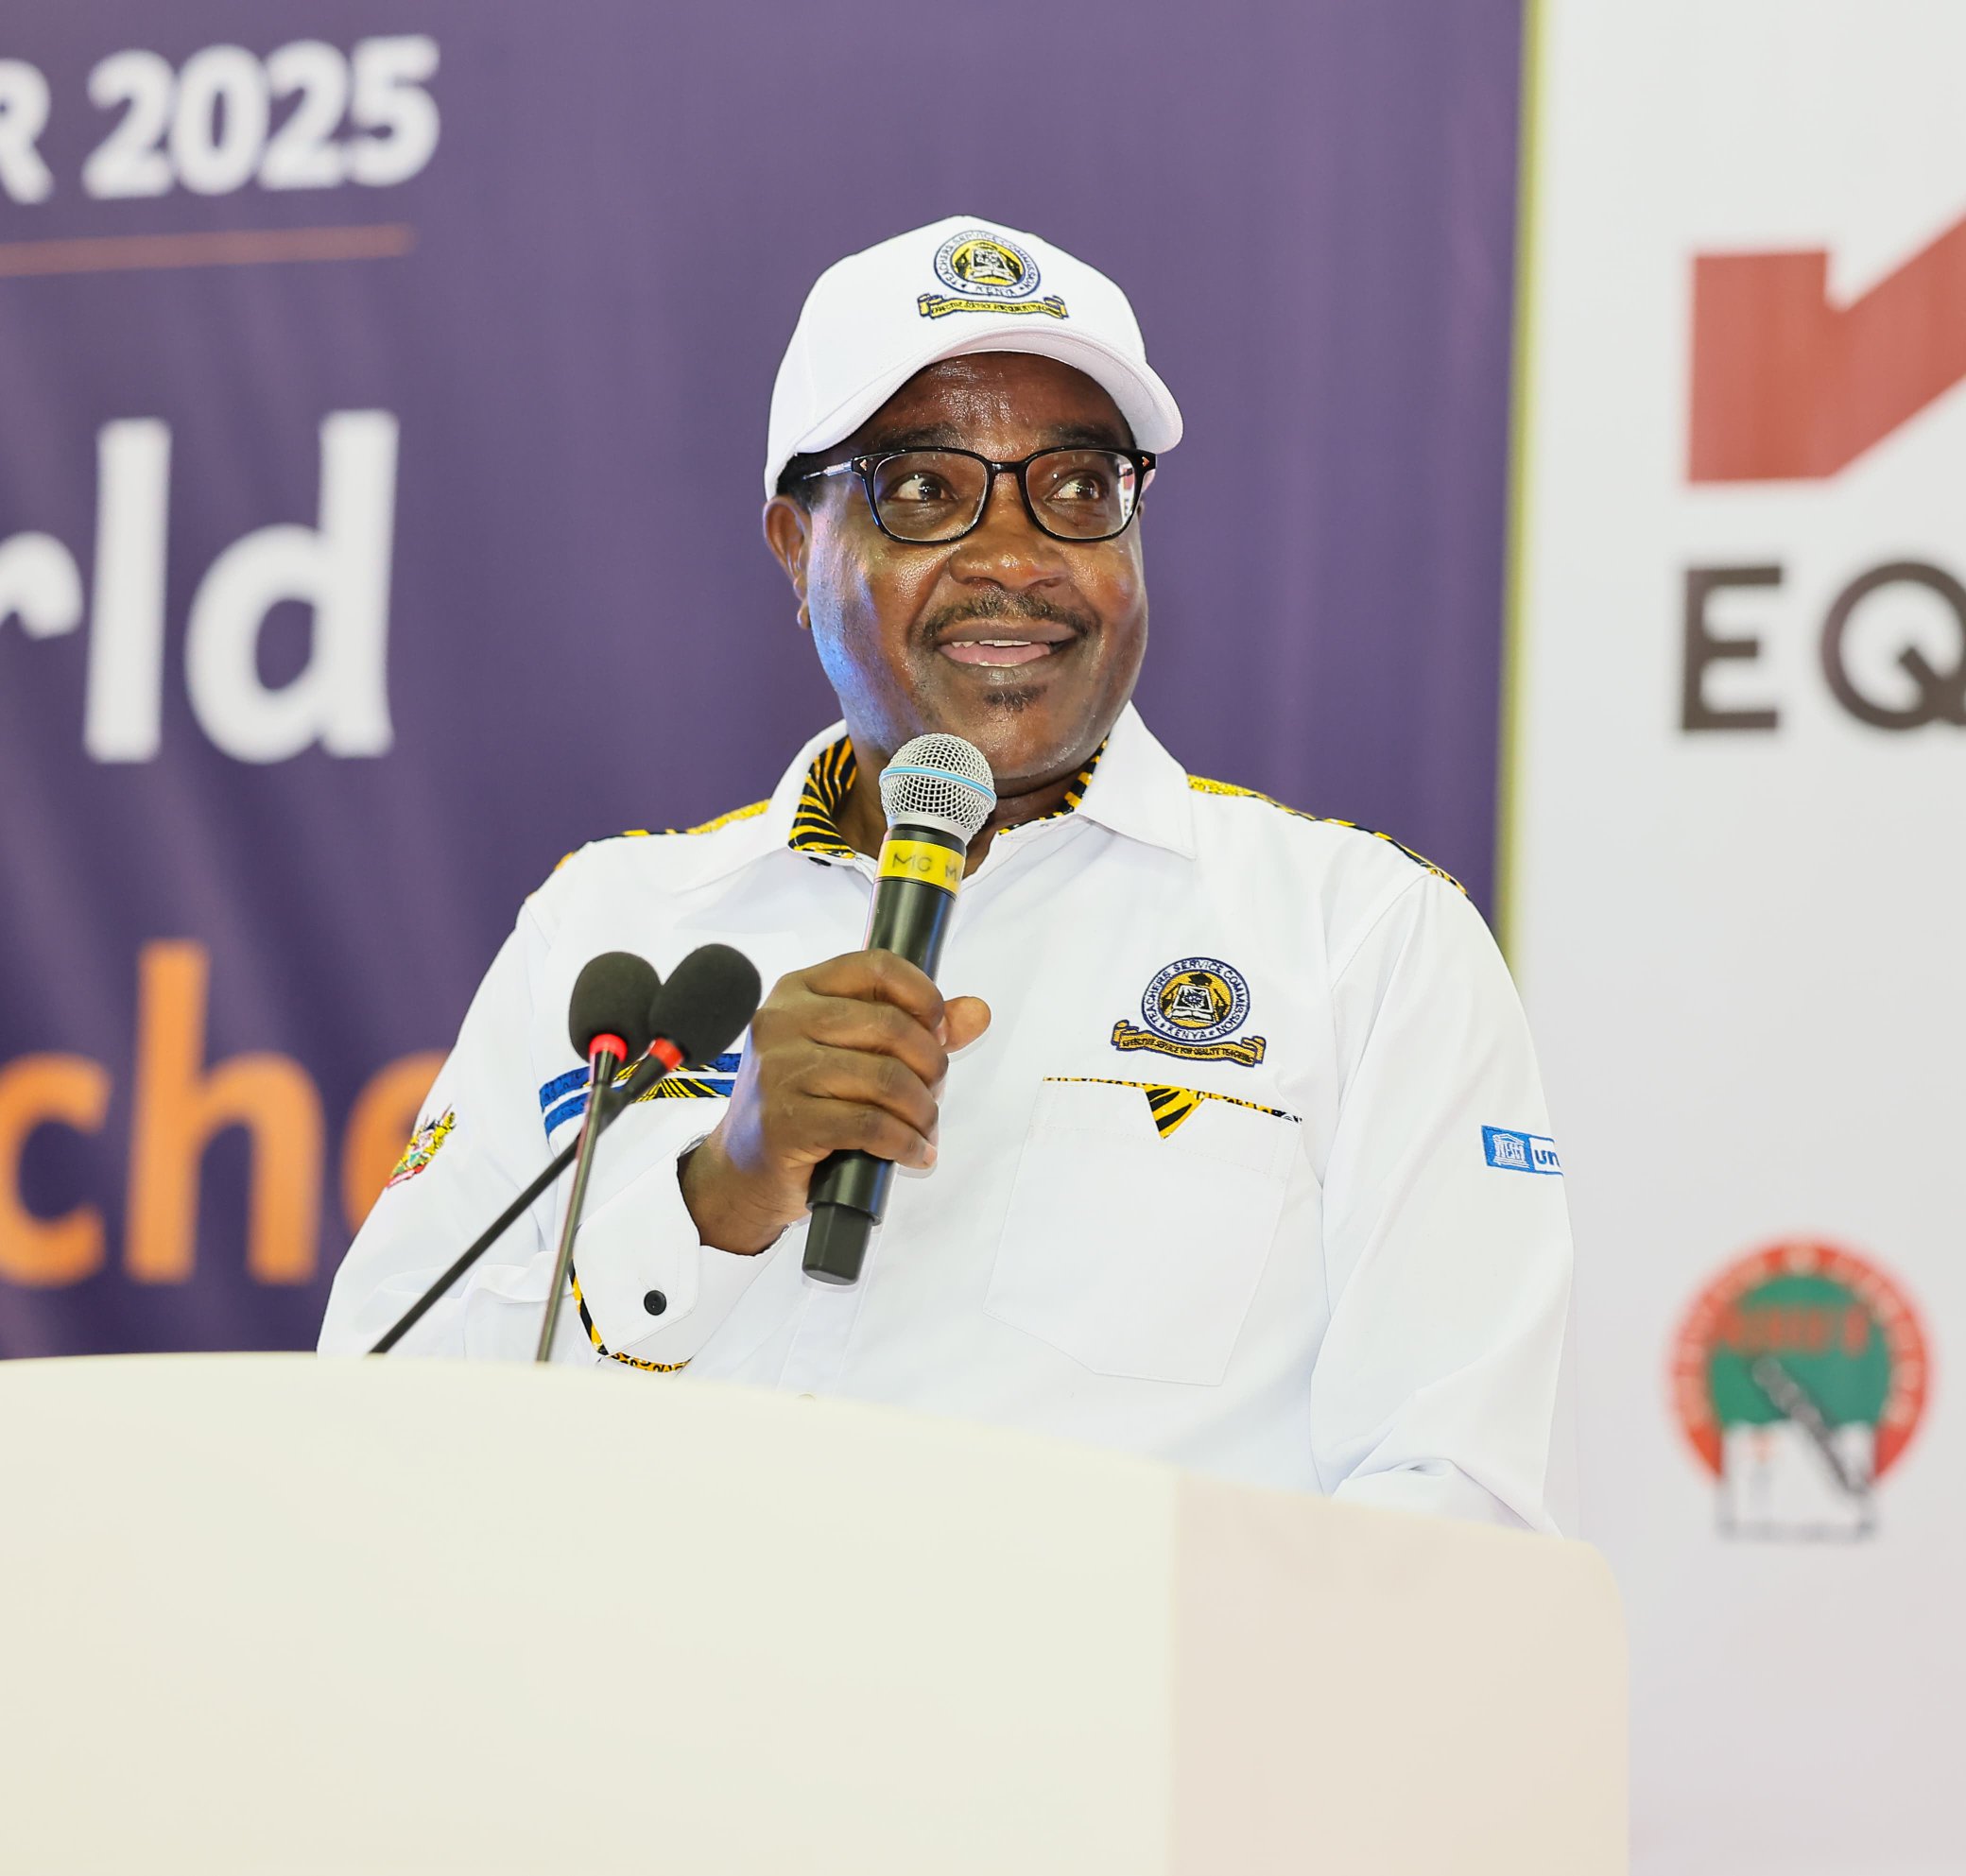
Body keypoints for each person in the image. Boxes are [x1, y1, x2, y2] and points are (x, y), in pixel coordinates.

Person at [320, 215, 1573, 1529]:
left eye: (1081, 486)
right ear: (795, 551)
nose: (1017, 556)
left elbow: (1464, 1514)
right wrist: (718, 1191)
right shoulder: (616, 933)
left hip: (1122, 1722)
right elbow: (365, 1438)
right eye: (922, 488)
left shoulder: (1364, 941)